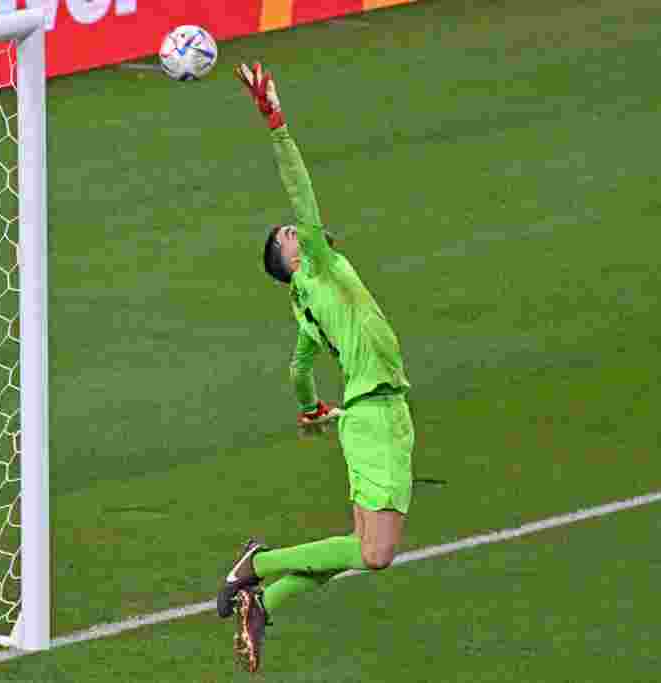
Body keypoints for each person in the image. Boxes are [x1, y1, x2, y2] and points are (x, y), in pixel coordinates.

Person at [218, 63, 416, 674]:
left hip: (368, 415)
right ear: (295, 260)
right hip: (377, 415)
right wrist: (276, 123)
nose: (298, 230)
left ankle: (265, 602)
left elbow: (298, 373)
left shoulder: (306, 309)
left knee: (358, 548)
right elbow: (302, 191)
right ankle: (258, 566)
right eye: (290, 236)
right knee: (375, 553)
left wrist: (312, 409)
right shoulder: (321, 269)